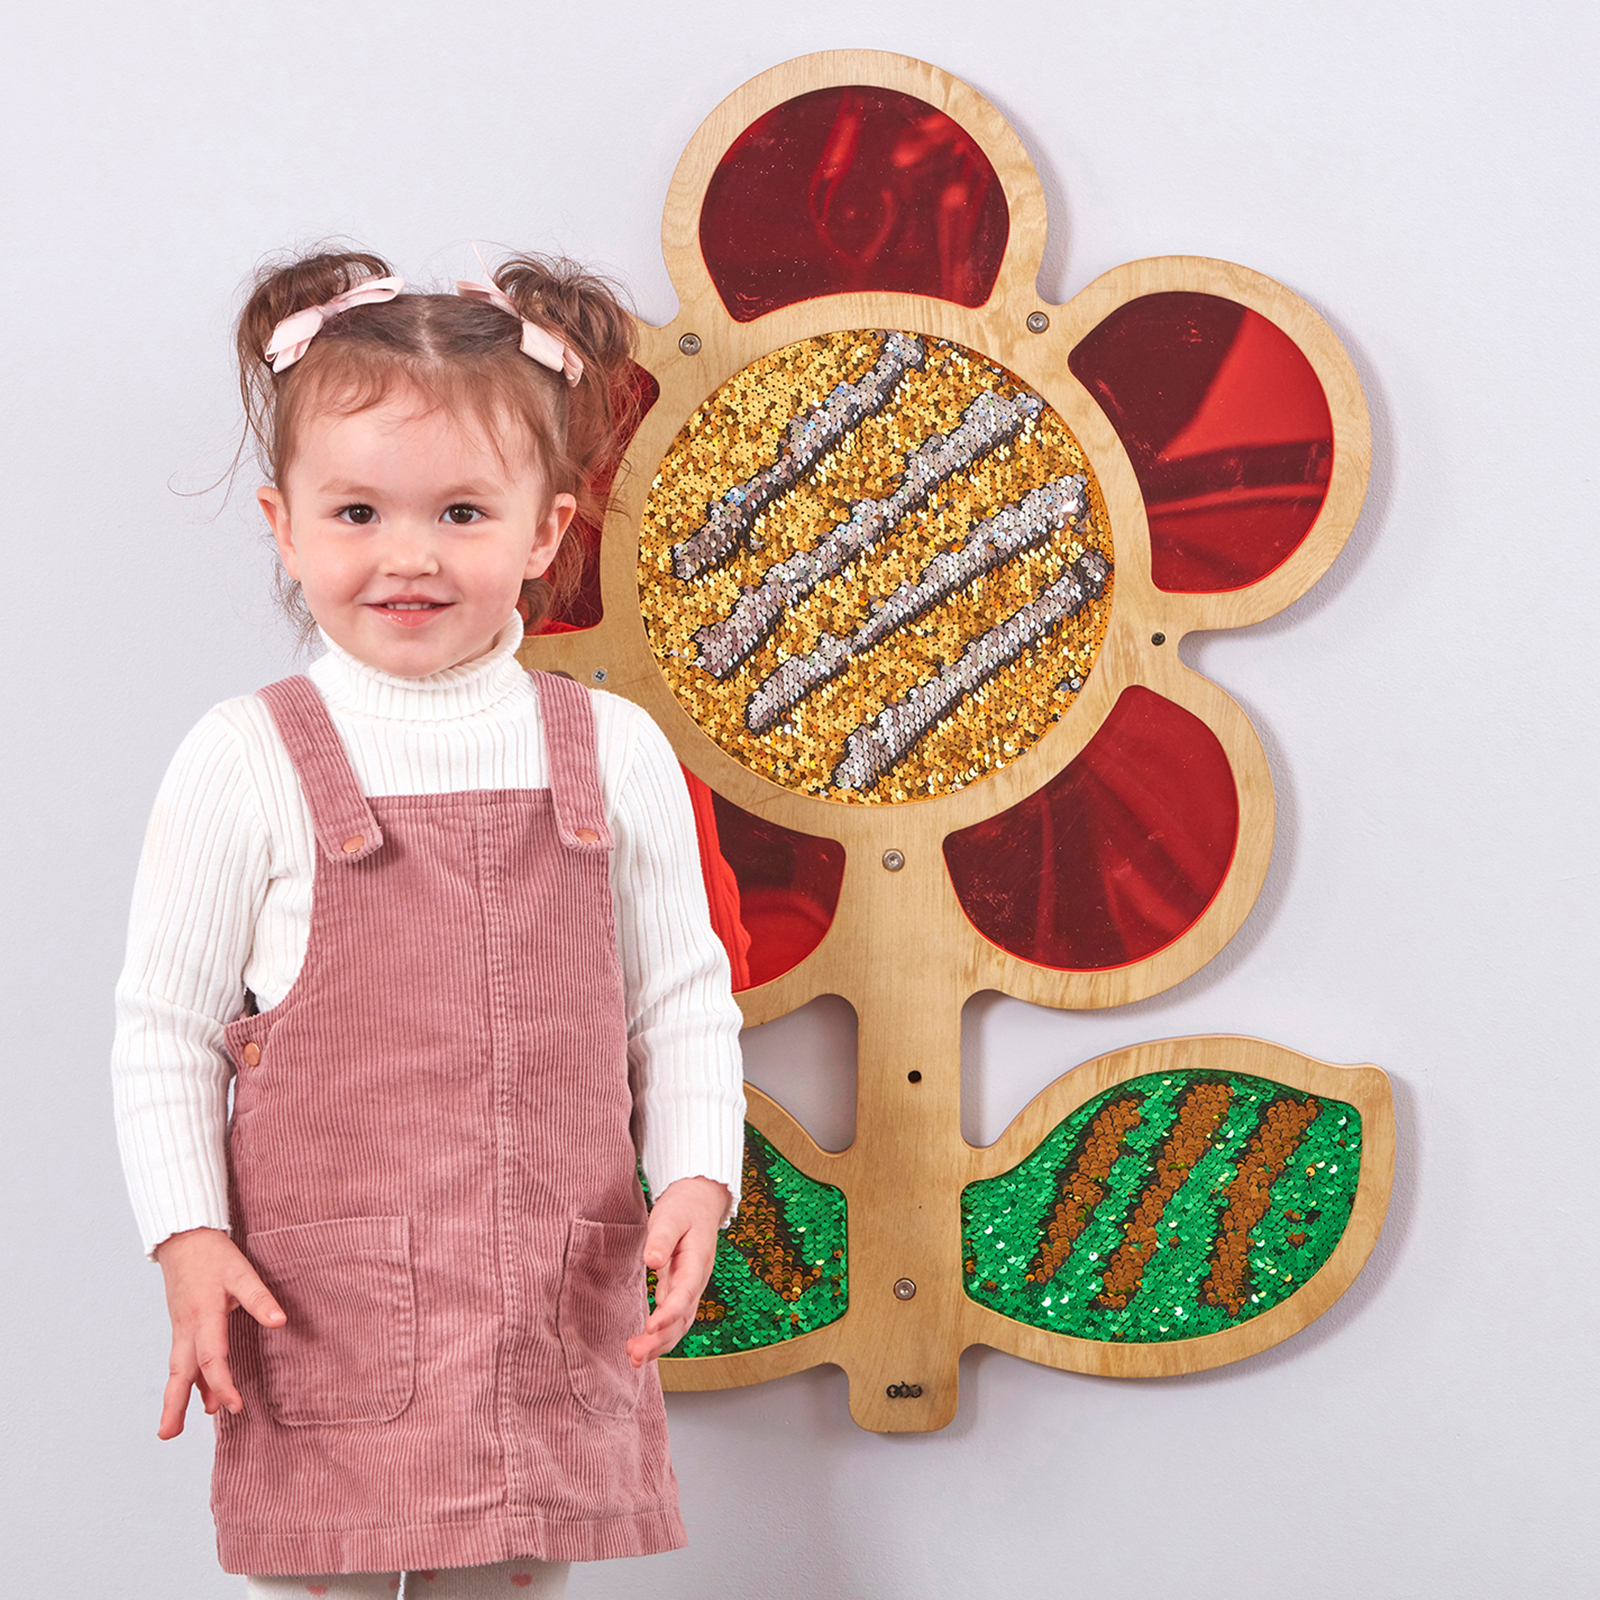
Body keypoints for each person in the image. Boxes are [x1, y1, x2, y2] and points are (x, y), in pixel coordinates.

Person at [111, 248, 746, 1598]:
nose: (409, 555)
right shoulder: (246, 757)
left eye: (462, 511)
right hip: (328, 1317)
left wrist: (699, 1172)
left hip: (542, 1306)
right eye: (357, 512)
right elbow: (165, 1030)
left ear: (546, 532)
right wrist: (188, 1234)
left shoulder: (614, 750)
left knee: (513, 1576)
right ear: (286, 526)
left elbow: (681, 1001)